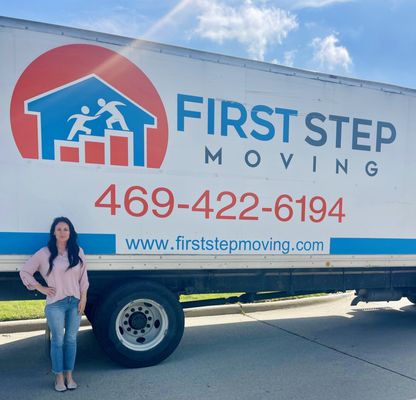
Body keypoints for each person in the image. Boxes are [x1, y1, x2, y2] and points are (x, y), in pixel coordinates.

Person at [19, 217, 89, 392]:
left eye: (66, 229)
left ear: (70, 232)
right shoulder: (44, 253)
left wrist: (84, 298)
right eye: (59, 229)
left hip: (75, 302)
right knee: (57, 341)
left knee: (71, 340)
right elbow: (25, 271)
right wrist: (40, 287)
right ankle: (58, 377)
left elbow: (83, 278)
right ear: (53, 232)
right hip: (55, 304)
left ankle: (69, 376)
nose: (63, 232)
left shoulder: (77, 251)